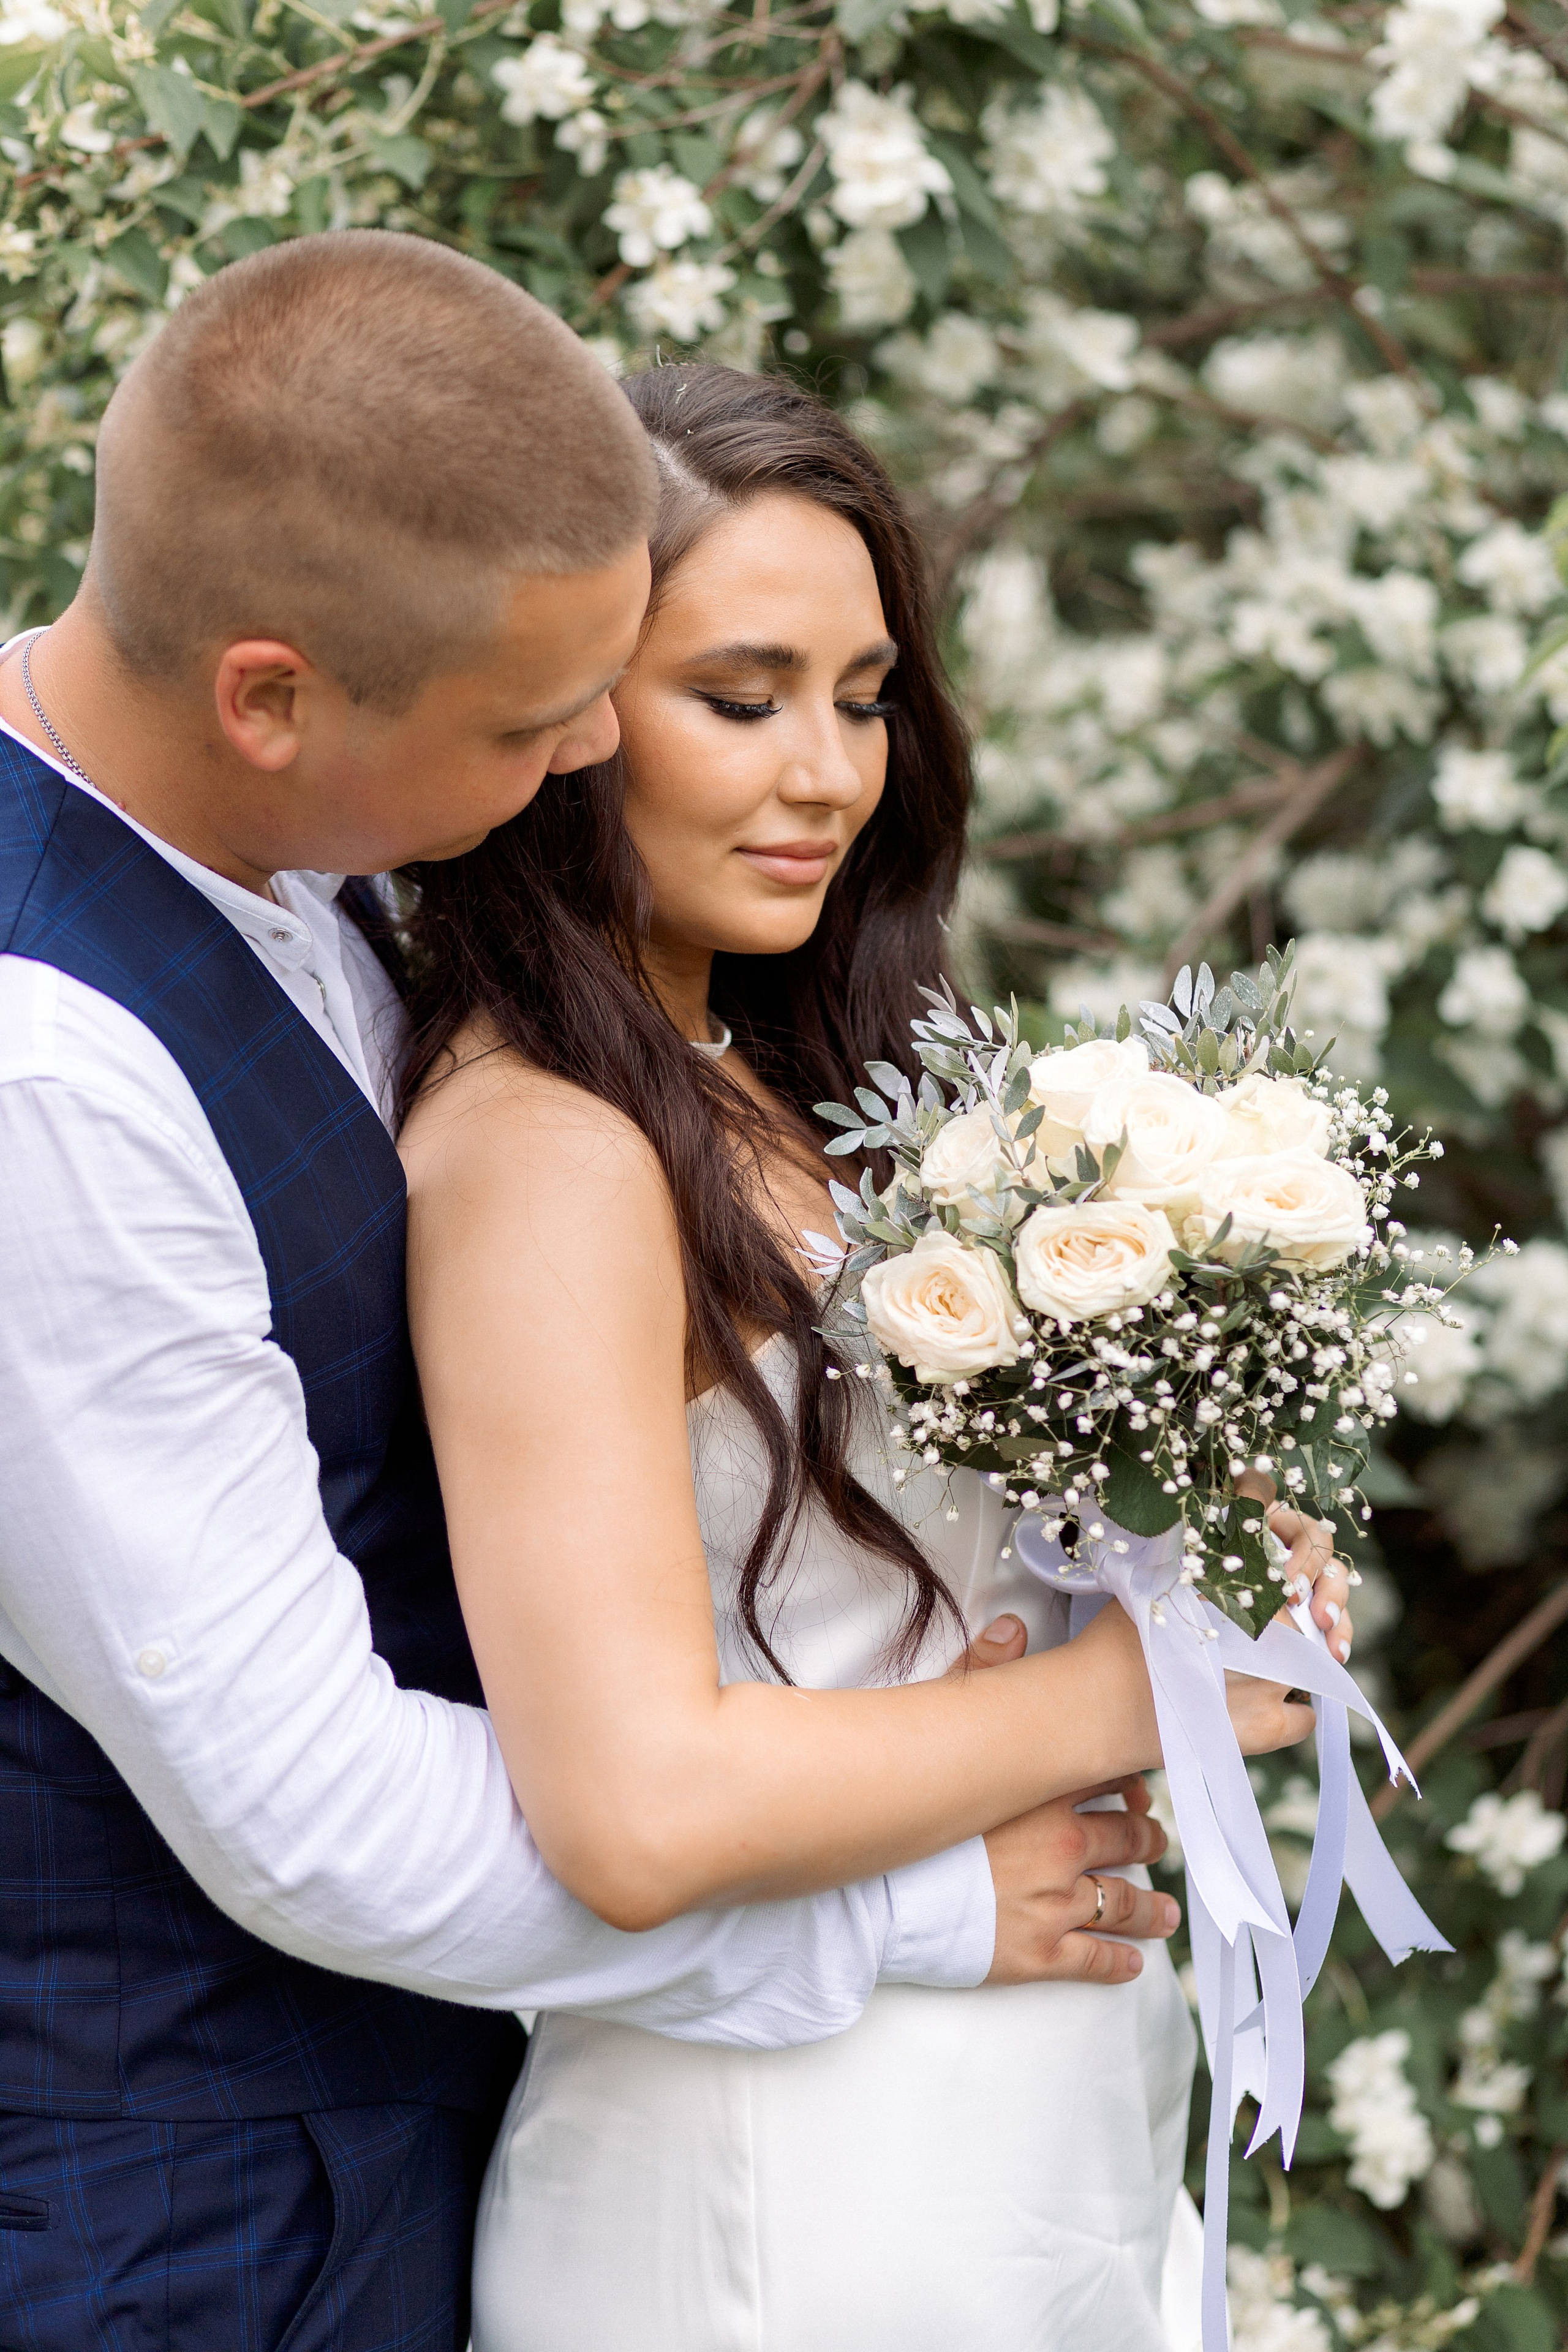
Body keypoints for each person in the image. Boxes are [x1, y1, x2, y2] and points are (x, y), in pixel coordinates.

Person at [0, 236, 1328, 2352]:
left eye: (861, 695)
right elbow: (344, 1812)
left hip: (822, 2110)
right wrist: (1029, 1788)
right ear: (275, 696)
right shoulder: (61, 1079)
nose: (579, 755)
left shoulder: (376, 885)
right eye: (562, 716)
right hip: (215, 2209)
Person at [396, 364, 1353, 2351]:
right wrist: (1143, 1693)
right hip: (782, 2166)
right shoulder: (549, 1151)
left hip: (1026, 2120)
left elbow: (911, 1604)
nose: (829, 771)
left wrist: (1185, 1538)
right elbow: (637, 1804)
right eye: (741, 698)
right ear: (568, 715)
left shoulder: (790, 1079)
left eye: (864, 694)